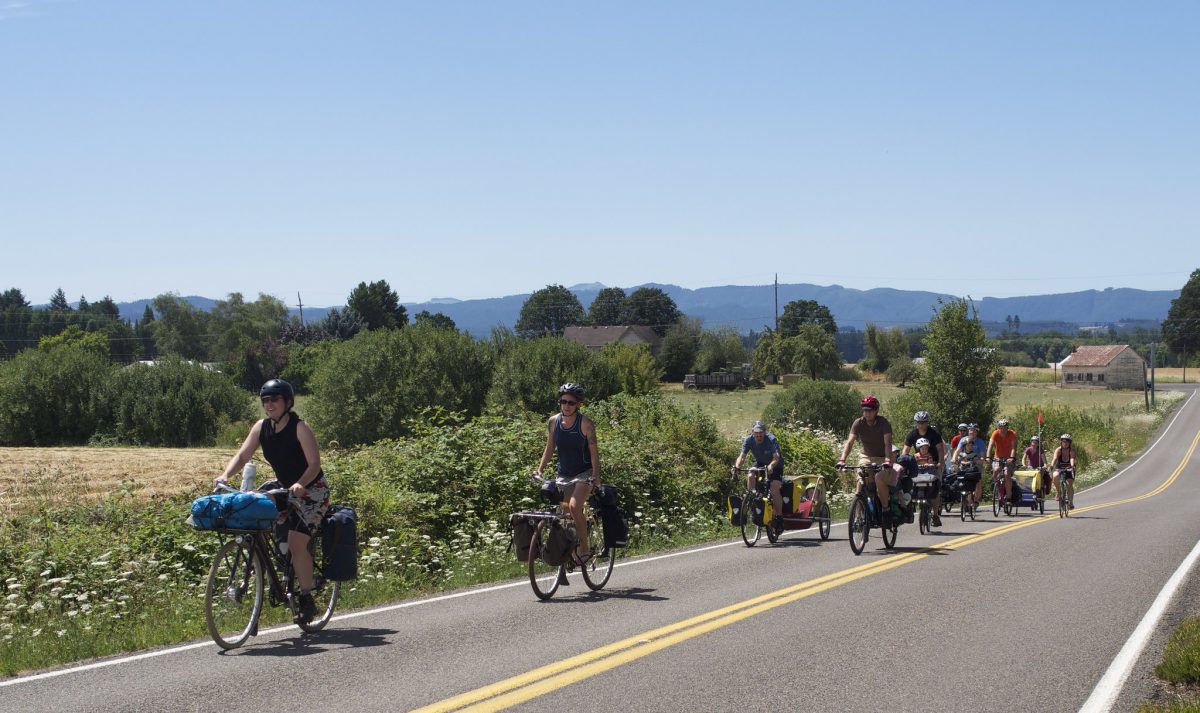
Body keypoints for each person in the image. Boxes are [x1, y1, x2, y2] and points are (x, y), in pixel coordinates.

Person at [217, 379, 329, 622]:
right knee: (253, 511)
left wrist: (301, 483)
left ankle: (307, 598)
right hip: (282, 487)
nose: (269, 404)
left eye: (275, 399)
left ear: (287, 402)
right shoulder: (261, 427)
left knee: (297, 542)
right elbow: (243, 455)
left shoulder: (300, 427)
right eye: (265, 400)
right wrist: (226, 475)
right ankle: (277, 574)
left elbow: (314, 464)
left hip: (311, 490)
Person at [534, 383, 602, 568]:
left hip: (584, 473)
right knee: (563, 516)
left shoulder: (586, 424)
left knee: (573, 506)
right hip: (563, 474)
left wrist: (595, 475)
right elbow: (549, 448)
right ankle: (568, 553)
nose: (566, 405)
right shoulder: (553, 422)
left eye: (571, 402)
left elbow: (594, 452)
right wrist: (540, 469)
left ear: (578, 404)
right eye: (563, 401)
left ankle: (585, 550)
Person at [837, 396, 895, 524]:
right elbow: (850, 442)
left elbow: (888, 444)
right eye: (865, 410)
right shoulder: (858, 423)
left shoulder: (883, 423)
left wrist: (887, 460)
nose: (867, 413)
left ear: (876, 410)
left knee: (879, 479)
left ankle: (885, 509)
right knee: (861, 481)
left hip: (883, 457)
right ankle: (858, 517)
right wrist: (842, 460)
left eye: (870, 410)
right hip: (866, 456)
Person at [732, 420, 785, 533]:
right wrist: (736, 466)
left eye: (761, 432)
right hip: (760, 463)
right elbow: (742, 457)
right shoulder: (749, 440)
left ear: (764, 432)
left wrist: (771, 466)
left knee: (774, 488)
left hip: (775, 465)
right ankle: (753, 499)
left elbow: (776, 457)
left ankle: (779, 518)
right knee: (750, 474)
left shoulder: (771, 439)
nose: (758, 435)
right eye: (756, 433)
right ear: (752, 432)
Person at [902, 411, 947, 527]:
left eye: (924, 422)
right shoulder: (912, 434)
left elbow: (940, 449)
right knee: (907, 484)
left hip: (934, 463)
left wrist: (941, 463)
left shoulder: (933, 434)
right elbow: (905, 450)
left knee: (935, 487)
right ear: (916, 423)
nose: (921, 425)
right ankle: (908, 510)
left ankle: (935, 515)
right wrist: (903, 463)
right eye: (919, 422)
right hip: (918, 464)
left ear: (927, 423)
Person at [986, 418, 1020, 504]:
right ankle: (995, 487)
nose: (1002, 429)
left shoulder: (1012, 434)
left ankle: (1008, 496)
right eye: (1000, 427)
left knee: (1006, 474)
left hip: (1009, 458)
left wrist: (1012, 458)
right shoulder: (995, 433)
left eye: (1004, 427)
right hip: (998, 457)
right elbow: (990, 445)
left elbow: (1013, 448)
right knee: (996, 470)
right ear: (998, 428)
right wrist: (988, 457)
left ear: (1007, 428)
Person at [952, 426, 986, 506]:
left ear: (977, 432)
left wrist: (980, 460)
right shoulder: (963, 440)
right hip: (964, 464)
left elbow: (982, 455)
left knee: (978, 480)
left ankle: (976, 500)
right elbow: (957, 451)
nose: (972, 432)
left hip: (975, 463)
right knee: (957, 473)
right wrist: (954, 459)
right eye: (970, 431)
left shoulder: (980, 442)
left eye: (974, 431)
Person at [1051, 434, 1077, 510]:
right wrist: (1052, 465)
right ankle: (1058, 492)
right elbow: (1055, 458)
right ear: (1061, 442)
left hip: (1069, 468)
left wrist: (1072, 466)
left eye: (1067, 442)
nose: (1065, 443)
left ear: (1070, 443)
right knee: (1055, 476)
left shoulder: (1072, 450)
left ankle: (1071, 503)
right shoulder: (1058, 450)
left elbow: (1072, 458)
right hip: (1060, 468)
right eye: (1063, 441)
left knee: (1069, 485)